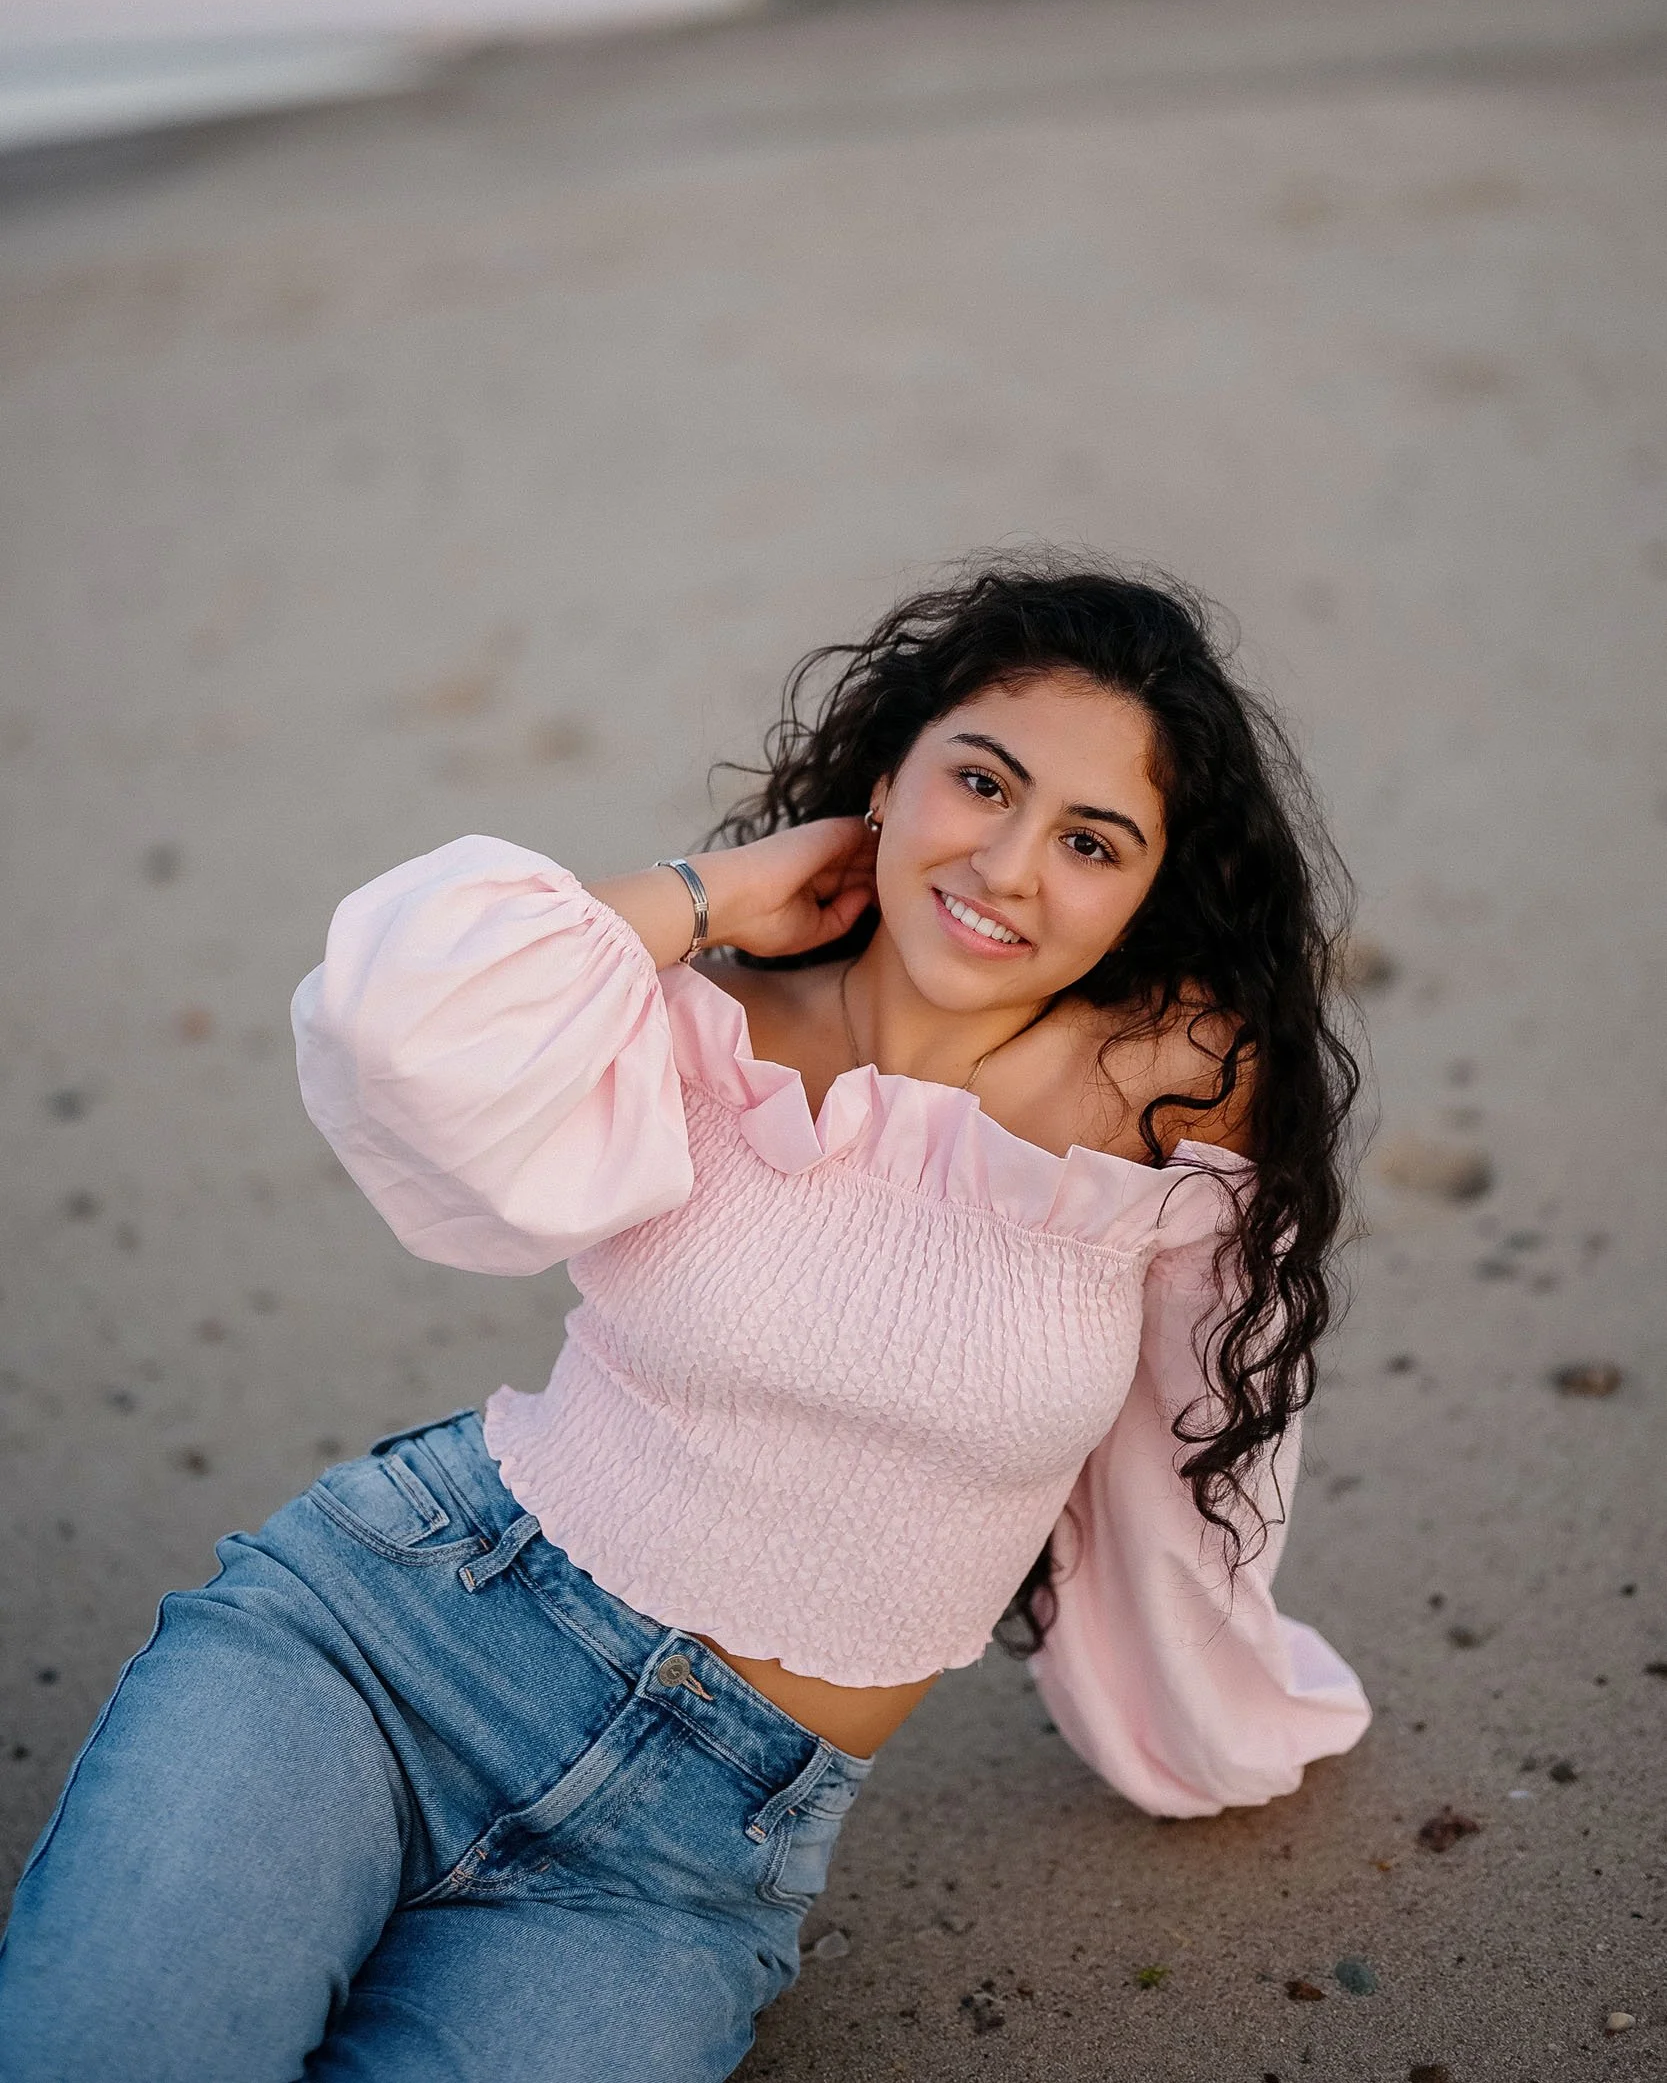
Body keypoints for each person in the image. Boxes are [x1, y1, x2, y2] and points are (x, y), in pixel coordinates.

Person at [0, 557, 1371, 2082]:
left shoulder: (1170, 1085)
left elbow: (1203, 1435)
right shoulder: (700, 1012)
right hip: (381, 1644)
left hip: (678, 1867)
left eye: (1091, 842)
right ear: (890, 772)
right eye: (978, 782)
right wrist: (708, 894)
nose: (1007, 867)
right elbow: (390, 1012)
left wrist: (1195, 1707)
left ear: (1148, 891)